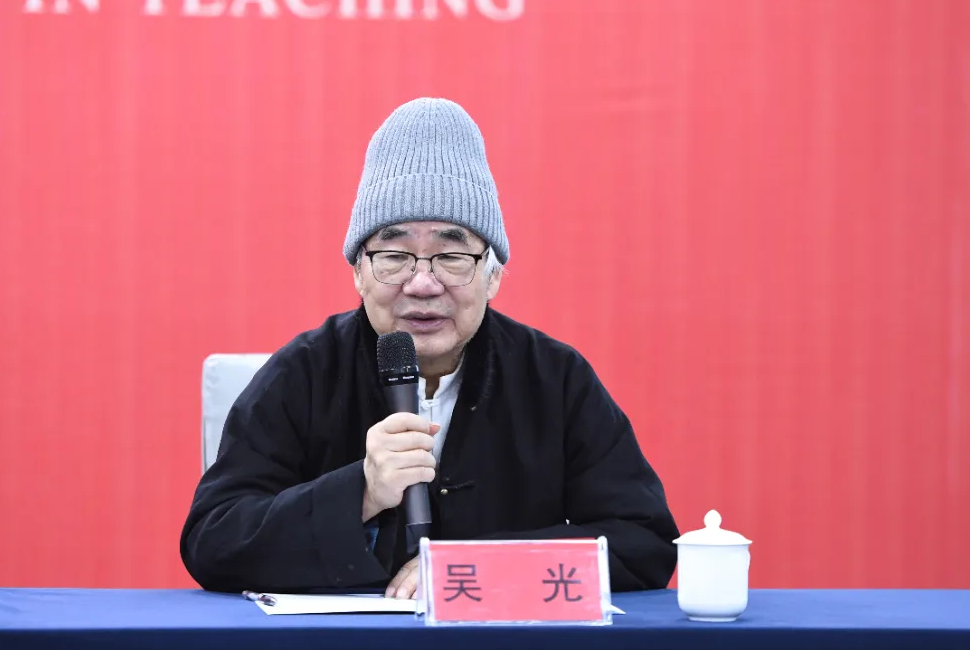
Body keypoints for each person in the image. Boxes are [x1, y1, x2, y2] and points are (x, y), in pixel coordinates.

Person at [179, 97, 679, 599]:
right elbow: (213, 539)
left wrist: (481, 568)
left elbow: (643, 542)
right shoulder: (305, 372)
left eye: (452, 255)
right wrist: (361, 493)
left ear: (493, 276)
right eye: (394, 255)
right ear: (358, 273)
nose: (422, 284)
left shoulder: (553, 377)